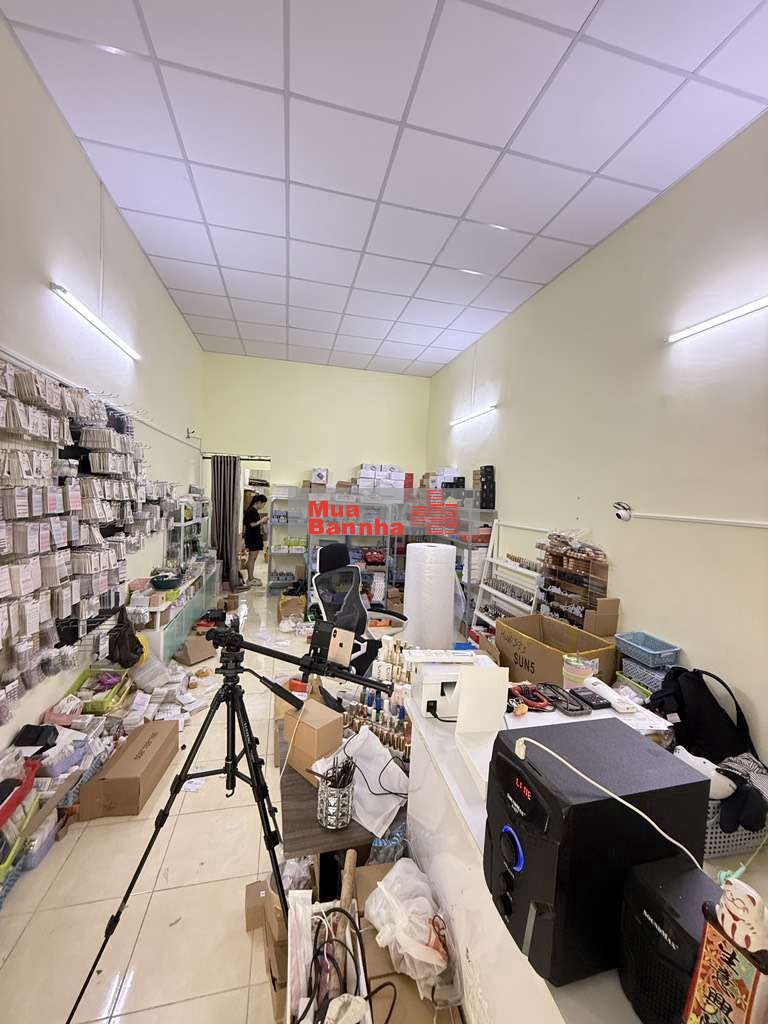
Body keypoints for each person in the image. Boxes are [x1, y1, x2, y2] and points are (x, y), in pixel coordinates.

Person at [243, 493, 268, 585]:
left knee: (253, 558)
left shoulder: (255, 511)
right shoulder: (250, 511)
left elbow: (255, 523)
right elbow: (251, 524)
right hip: (252, 537)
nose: (263, 506)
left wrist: (262, 522)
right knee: (252, 558)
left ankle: (251, 577)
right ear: (258, 502)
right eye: (263, 504)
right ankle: (250, 579)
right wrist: (261, 520)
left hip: (256, 537)